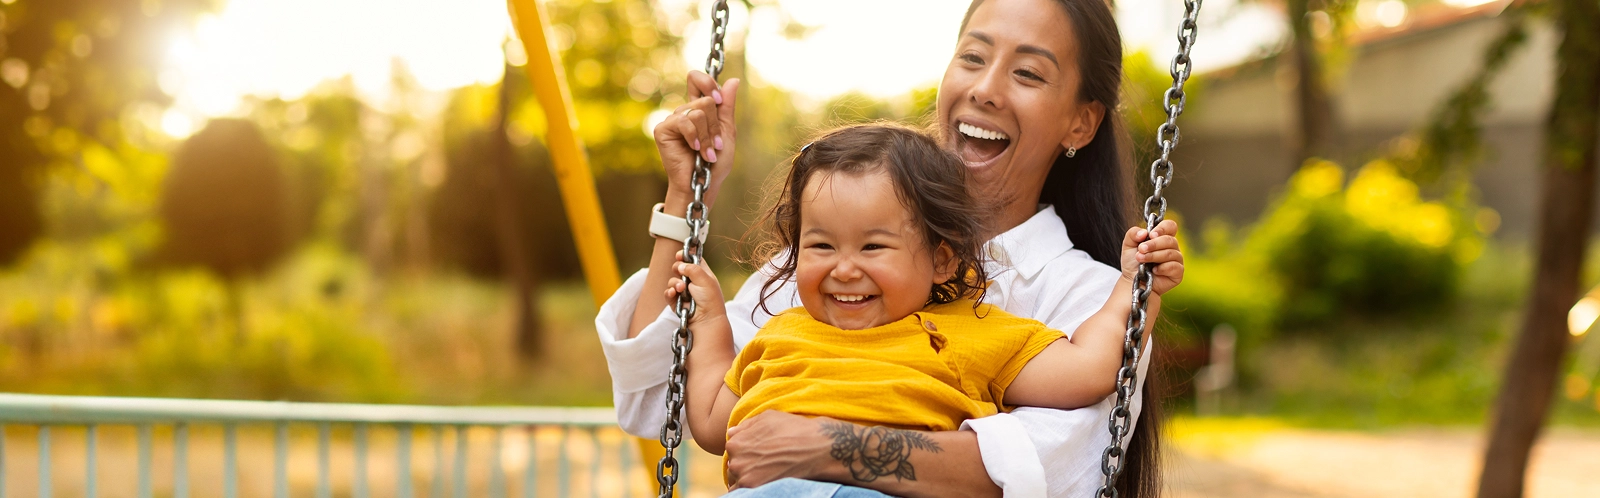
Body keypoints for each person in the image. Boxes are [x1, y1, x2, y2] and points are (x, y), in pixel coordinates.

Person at [596, 0, 1179, 495]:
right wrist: (684, 197)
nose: (984, 89)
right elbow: (658, 398)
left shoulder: (1088, 299)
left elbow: (1042, 474)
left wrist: (826, 447)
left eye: (1027, 74)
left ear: (1081, 122)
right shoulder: (827, 264)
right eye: (972, 58)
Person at [661, 124, 1182, 497]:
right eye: (820, 246)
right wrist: (707, 321)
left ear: (941, 259)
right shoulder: (781, 334)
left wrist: (1135, 289)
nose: (844, 269)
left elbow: (1088, 371)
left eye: (872, 248)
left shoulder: (967, 334)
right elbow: (710, 423)